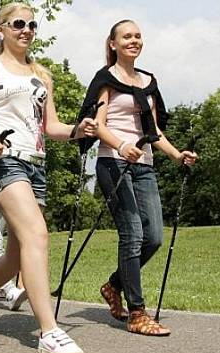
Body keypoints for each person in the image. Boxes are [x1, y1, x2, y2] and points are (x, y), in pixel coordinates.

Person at [0, 2, 97, 353]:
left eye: (32, 25)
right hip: (4, 160)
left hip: (36, 163)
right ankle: (49, 331)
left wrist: (78, 130)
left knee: (18, 251)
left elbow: (50, 127)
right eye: (18, 23)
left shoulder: (42, 75)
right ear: (2, 29)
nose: (26, 30)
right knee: (38, 234)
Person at [85, 19, 198, 335]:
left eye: (137, 36)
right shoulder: (106, 79)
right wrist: (121, 145)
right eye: (126, 36)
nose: (133, 40)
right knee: (132, 233)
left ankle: (113, 285)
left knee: (155, 237)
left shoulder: (148, 81)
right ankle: (137, 313)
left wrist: (177, 155)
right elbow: (98, 123)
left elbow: (153, 131)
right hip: (113, 163)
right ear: (113, 44)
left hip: (144, 165)